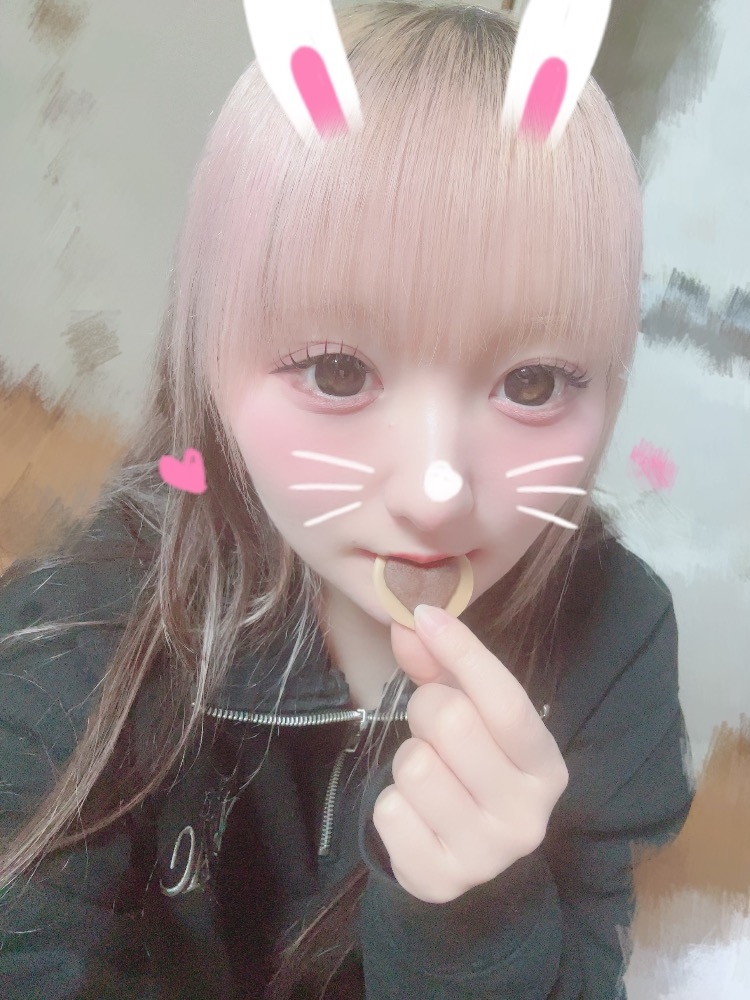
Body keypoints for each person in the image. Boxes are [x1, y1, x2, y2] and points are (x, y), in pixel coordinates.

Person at [0, 3, 695, 998]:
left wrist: (478, 918)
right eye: (337, 371)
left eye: (533, 383)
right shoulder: (81, 629)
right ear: (209, 358)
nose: (435, 490)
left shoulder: (615, 635)